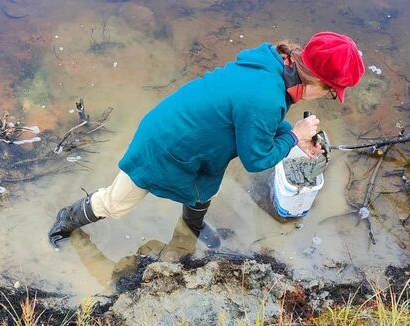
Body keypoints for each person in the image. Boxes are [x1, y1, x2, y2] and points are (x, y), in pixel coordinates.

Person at [48, 32, 365, 249]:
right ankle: (66, 220)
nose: (327, 97)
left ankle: (191, 229)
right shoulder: (266, 97)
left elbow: (254, 119)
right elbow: (257, 160)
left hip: (194, 141)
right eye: (330, 91)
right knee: (116, 204)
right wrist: (295, 134)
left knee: (202, 191)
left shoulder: (273, 62)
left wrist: (294, 138)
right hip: (164, 144)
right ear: (317, 81)